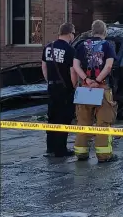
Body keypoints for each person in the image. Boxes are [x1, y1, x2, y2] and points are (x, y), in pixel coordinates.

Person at [73, 20, 118, 163]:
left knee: (83, 122)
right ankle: (104, 156)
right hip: (101, 88)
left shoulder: (81, 45)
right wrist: (97, 80)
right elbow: (109, 66)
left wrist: (86, 79)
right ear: (104, 32)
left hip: (85, 88)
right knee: (103, 123)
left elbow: (75, 66)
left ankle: (81, 153)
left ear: (92, 31)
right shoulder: (107, 45)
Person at [41, 23, 77, 157]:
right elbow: (72, 71)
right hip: (65, 89)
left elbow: (44, 67)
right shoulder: (70, 50)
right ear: (69, 33)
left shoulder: (48, 47)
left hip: (51, 87)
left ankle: (50, 147)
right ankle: (60, 149)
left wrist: (49, 81)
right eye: (73, 34)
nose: (73, 36)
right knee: (64, 118)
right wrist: (73, 87)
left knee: (52, 117)